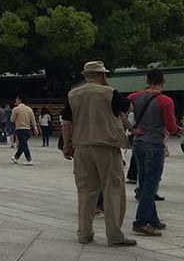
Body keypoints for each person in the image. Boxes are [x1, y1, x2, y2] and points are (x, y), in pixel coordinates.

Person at [61, 61, 136, 246]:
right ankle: (115, 235)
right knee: (113, 188)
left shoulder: (73, 94)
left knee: (86, 190)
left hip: (82, 147)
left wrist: (67, 145)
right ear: (102, 75)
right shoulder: (109, 92)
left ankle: (85, 233)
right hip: (107, 146)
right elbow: (129, 108)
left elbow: (67, 123)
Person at [127, 68, 182, 237]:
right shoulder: (165, 101)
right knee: (151, 182)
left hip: (138, 141)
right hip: (154, 143)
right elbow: (171, 127)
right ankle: (141, 221)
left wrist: (131, 128)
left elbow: (121, 111)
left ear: (147, 80)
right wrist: (180, 130)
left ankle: (152, 217)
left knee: (144, 181)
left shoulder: (134, 97)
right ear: (163, 81)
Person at [11, 96, 39, 165]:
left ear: (19, 100)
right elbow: (33, 119)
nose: (16, 101)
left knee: (24, 144)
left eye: (16, 100)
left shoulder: (16, 109)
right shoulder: (29, 109)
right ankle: (16, 157)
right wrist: (35, 128)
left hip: (20, 129)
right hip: (28, 129)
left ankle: (29, 159)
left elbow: (12, 119)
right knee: (22, 144)